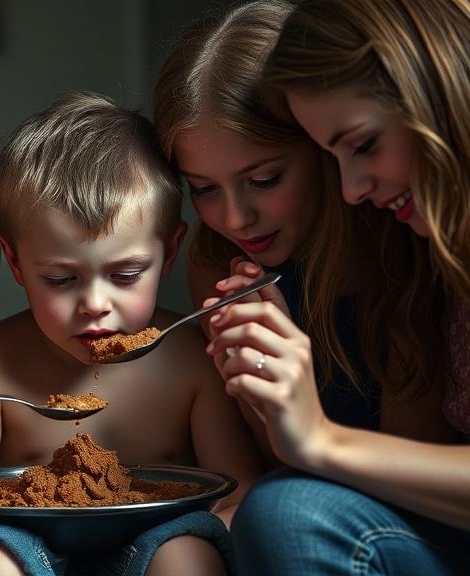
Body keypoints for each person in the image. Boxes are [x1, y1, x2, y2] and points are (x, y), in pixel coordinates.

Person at [208, 0, 470, 573]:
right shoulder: (438, 237)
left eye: (363, 145)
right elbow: (415, 460)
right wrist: (271, 397)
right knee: (285, 512)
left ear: (451, 87)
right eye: (332, 158)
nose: (351, 189)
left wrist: (322, 440)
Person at [0, 91, 263, 576]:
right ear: (15, 262)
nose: (95, 306)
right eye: (61, 280)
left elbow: (240, 493)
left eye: (126, 276)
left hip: (156, 550)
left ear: (168, 255)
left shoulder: (192, 358)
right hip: (25, 554)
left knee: (188, 555)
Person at [152, 0, 382, 464]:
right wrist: (261, 391)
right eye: (203, 188)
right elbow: (274, 466)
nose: (236, 219)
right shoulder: (217, 265)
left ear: (322, 148)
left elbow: (417, 462)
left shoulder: (390, 247)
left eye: (264, 181)